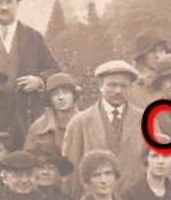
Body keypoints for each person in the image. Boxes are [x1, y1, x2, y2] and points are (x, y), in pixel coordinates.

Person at [61, 60, 148, 188]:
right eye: (112, 85)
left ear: (130, 87)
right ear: (101, 86)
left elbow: (157, 162)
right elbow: (70, 171)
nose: (118, 90)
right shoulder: (80, 122)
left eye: (123, 86)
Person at [24, 72, 81, 157]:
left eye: (65, 92)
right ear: (49, 99)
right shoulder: (38, 128)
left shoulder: (87, 123)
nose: (61, 97)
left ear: (74, 95)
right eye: (55, 94)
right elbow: (28, 159)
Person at [126, 30, 171, 111]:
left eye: (161, 51)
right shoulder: (133, 86)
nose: (158, 56)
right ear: (142, 57)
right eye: (152, 52)